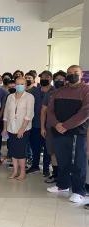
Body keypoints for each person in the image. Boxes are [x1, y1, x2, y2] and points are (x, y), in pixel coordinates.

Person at [47, 65, 89, 203]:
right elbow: (50, 111)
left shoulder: (86, 90)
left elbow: (85, 113)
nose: (72, 75)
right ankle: (62, 185)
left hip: (77, 133)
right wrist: (57, 125)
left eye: (75, 73)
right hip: (59, 131)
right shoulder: (59, 91)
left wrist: (66, 125)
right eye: (69, 73)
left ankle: (79, 191)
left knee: (78, 162)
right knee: (62, 159)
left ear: (81, 74)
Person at [2, 78, 34, 180]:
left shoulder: (29, 97)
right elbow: (6, 114)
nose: (19, 85)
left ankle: (22, 172)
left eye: (22, 84)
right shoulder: (10, 97)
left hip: (23, 129)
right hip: (11, 128)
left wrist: (22, 128)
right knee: (13, 150)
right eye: (17, 84)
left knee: (21, 152)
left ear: (25, 85)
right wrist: (5, 128)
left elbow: (29, 114)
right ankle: (15, 171)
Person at [26, 70, 54, 176]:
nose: (44, 79)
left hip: (50, 125)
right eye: (42, 77)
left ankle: (46, 167)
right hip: (34, 124)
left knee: (47, 147)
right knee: (35, 146)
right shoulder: (34, 91)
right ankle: (34, 165)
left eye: (47, 77)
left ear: (51, 79)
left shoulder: (55, 91)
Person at [41, 70, 66, 184]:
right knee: (53, 153)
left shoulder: (70, 94)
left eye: (61, 79)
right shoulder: (50, 94)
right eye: (57, 80)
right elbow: (44, 111)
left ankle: (65, 176)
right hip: (51, 128)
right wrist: (42, 127)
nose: (59, 81)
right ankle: (55, 174)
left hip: (67, 129)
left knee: (65, 153)